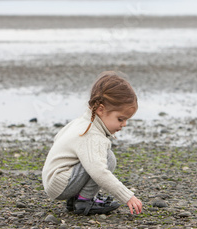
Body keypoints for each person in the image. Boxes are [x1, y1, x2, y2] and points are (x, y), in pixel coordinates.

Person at [42, 71, 143, 216]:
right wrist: (127, 196)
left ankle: (76, 199)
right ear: (101, 110)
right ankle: (84, 201)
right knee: (108, 159)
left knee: (96, 158)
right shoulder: (92, 135)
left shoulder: (80, 122)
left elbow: (58, 138)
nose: (124, 124)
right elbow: (99, 172)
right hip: (61, 185)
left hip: (54, 181)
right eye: (120, 119)